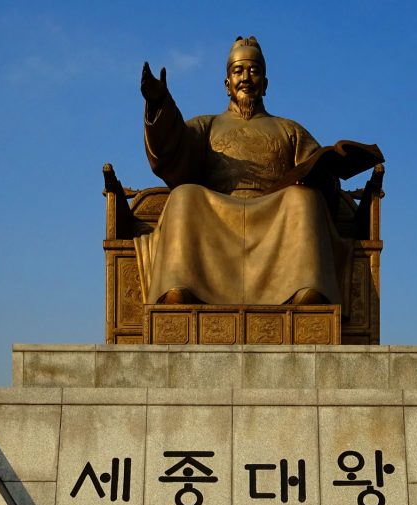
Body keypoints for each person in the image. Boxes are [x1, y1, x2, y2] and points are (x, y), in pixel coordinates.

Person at [137, 35, 371, 306]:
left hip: (275, 214)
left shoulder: (289, 129)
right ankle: (180, 288)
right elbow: (173, 148)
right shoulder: (206, 125)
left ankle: (304, 291)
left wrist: (326, 176)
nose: (246, 77)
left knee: (303, 200)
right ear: (227, 84)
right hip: (217, 213)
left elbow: (317, 171)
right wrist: (160, 104)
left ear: (266, 84)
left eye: (254, 71)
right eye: (238, 71)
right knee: (184, 195)